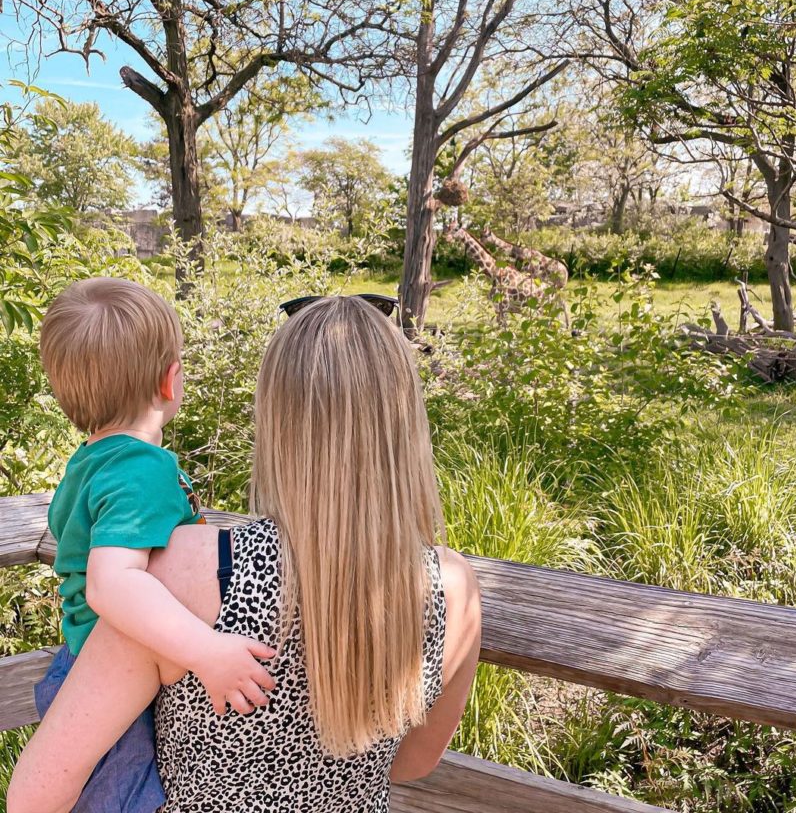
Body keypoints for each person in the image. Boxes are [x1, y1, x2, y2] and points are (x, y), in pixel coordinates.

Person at [9, 295, 482, 813]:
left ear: (276, 422)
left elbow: (36, 794)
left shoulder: (179, 572)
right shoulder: (453, 587)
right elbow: (412, 761)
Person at [31, 278, 276, 812]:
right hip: (107, 689)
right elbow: (111, 583)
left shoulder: (93, 461)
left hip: (88, 671)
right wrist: (206, 651)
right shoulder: (141, 469)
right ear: (171, 380)